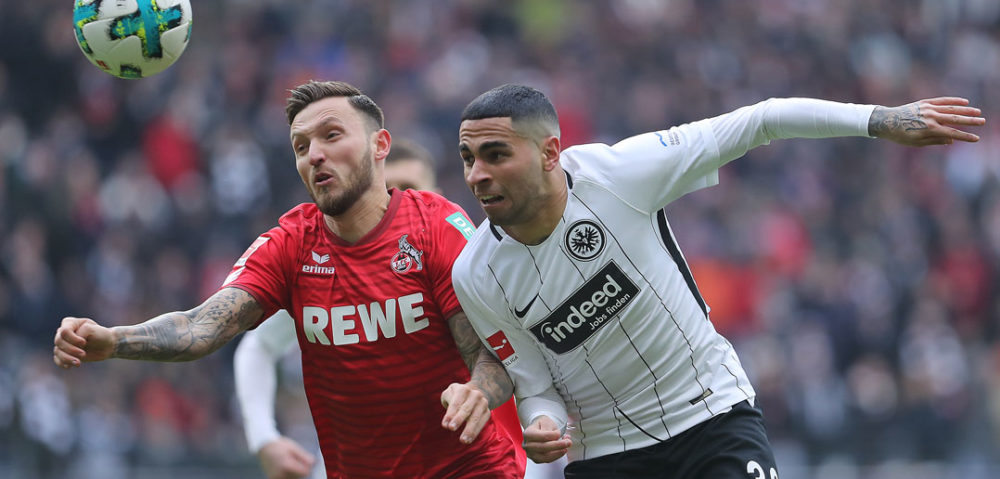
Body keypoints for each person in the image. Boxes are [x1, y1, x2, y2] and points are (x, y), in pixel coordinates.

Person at [450, 84, 985, 478]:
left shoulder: (620, 174)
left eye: (496, 155)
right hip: (607, 455)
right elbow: (535, 384)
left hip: (711, 416)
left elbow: (763, 119)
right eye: (469, 158)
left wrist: (880, 119)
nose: (477, 174)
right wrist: (541, 427)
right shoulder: (475, 274)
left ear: (549, 153)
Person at [53, 80, 525, 479]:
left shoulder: (436, 225)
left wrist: (478, 392)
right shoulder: (292, 244)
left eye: (331, 135)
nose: (315, 155)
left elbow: (495, 348)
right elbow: (203, 327)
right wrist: (114, 339)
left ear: (380, 146)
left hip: (470, 469)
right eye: (302, 146)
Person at [233, 139, 530, 479]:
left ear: (433, 193)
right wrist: (263, 437)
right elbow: (258, 345)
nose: (398, 200)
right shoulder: (332, 281)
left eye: (409, 189)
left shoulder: (472, 263)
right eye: (389, 190)